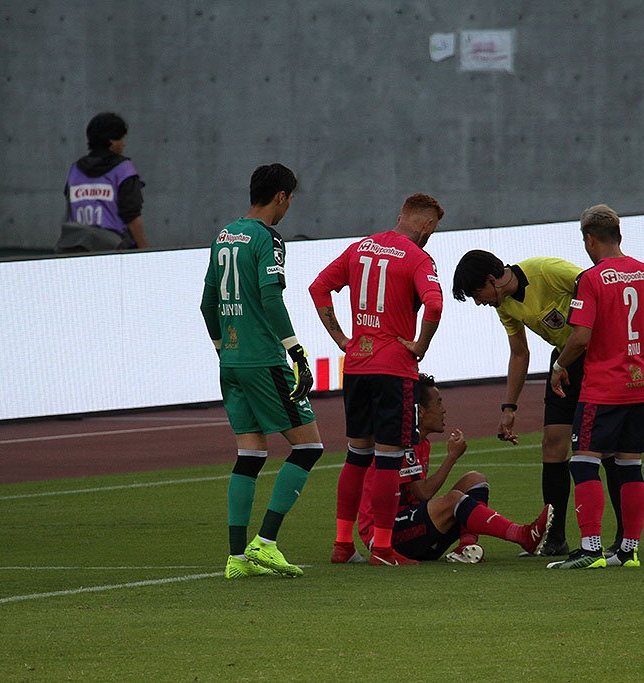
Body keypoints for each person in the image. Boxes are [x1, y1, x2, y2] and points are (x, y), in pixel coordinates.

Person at [547, 204, 644, 570]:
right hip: (641, 388)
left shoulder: (592, 279)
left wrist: (559, 365)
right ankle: (628, 550)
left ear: (590, 239)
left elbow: (581, 337)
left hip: (603, 389)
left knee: (583, 463)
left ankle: (591, 548)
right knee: (630, 466)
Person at [200, 163, 321, 579]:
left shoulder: (224, 235)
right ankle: (265, 543)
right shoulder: (268, 238)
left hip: (232, 361)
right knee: (308, 447)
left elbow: (207, 303)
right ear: (281, 197)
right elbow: (271, 300)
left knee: (250, 455)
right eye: (291, 199)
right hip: (264, 360)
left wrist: (223, 349)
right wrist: (296, 352)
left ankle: (236, 559)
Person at [309, 194, 444, 567]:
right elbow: (434, 305)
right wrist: (420, 345)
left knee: (356, 456)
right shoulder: (418, 258)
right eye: (433, 229)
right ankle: (382, 549)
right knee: (388, 460)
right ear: (426, 224)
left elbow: (318, 288)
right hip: (393, 370)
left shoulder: (359, 249)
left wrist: (341, 339)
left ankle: (342, 544)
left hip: (356, 365)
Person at [452, 250, 616, 557]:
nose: (478, 302)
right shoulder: (504, 305)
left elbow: (599, 288)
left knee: (606, 448)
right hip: (564, 361)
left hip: (599, 357)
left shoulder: (547, 271)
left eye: (476, 294)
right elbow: (519, 353)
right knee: (552, 444)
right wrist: (508, 408)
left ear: (491, 280)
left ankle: (623, 540)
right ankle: (555, 539)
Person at [355, 374, 553, 563]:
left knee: (475, 480)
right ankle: (523, 535)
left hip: (412, 525)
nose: (444, 410)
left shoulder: (421, 443)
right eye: (438, 403)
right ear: (421, 411)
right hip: (384, 533)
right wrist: (451, 457)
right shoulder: (403, 443)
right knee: (453, 500)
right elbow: (423, 493)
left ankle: (466, 548)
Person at [63, 112, 149, 249]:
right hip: (115, 250)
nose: (124, 143)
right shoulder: (124, 170)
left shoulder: (75, 170)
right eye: (121, 138)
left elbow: (69, 210)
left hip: (77, 248)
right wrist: (146, 251)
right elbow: (132, 216)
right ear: (111, 141)